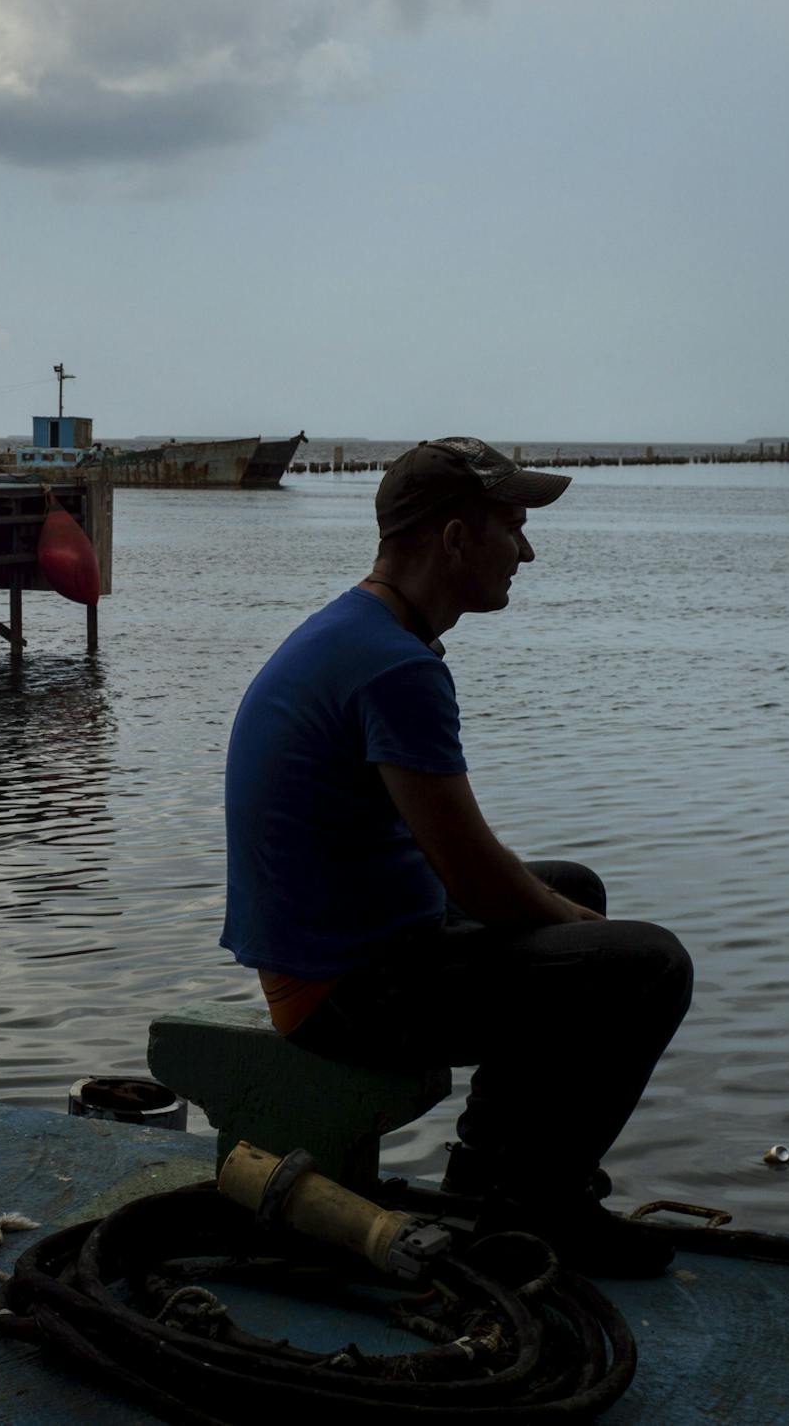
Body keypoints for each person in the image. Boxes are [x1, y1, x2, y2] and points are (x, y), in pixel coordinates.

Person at [222, 436, 693, 1275]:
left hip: (348, 943)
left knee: (574, 890)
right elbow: (480, 882)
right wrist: (575, 926)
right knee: (648, 966)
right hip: (341, 993)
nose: (528, 550)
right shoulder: (393, 668)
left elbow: (466, 867)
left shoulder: (360, 629)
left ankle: (488, 1170)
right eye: (511, 528)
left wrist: (564, 912)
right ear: (452, 539)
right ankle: (536, 1212)